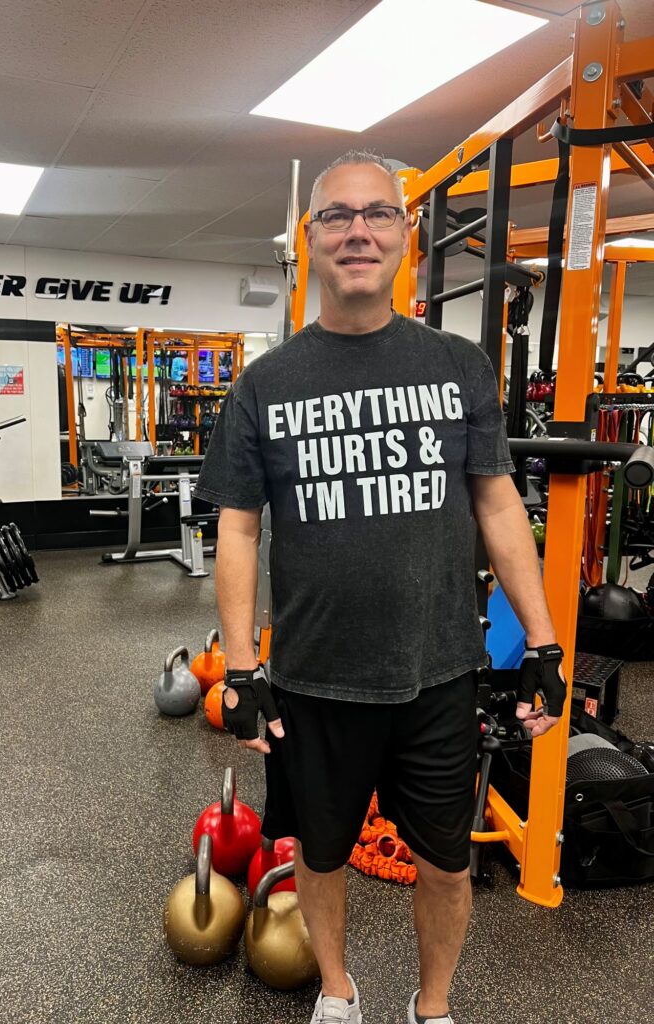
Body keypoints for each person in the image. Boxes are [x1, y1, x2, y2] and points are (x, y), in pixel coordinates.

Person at [193, 151, 565, 1024]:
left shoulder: (460, 367)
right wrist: (242, 670)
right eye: (337, 216)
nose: (358, 230)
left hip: (437, 673)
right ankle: (335, 990)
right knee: (319, 855)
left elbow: (500, 505)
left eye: (378, 214)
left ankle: (431, 1006)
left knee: (445, 860)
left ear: (409, 238)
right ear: (310, 238)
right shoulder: (265, 385)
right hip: (315, 679)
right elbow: (238, 528)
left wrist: (545, 644)